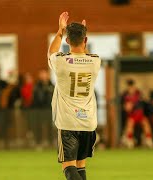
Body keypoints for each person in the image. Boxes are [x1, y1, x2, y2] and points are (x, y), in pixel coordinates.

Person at [48, 12, 101, 180]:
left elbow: (51, 52)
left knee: (69, 167)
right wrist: (83, 33)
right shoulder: (95, 61)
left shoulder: (61, 62)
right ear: (85, 40)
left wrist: (60, 31)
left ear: (67, 41)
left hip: (68, 121)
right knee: (80, 166)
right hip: (88, 122)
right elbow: (83, 52)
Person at [121, 79, 153, 148]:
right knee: (130, 123)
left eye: (132, 86)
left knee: (146, 122)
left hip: (140, 115)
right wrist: (127, 107)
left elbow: (144, 104)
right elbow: (125, 108)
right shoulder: (125, 95)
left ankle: (148, 140)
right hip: (132, 115)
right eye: (129, 86)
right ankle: (129, 140)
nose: (131, 88)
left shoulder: (139, 94)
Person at [31, 69, 54, 148]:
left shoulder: (52, 85)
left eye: (45, 74)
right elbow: (37, 98)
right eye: (42, 74)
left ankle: (50, 142)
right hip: (39, 110)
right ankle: (38, 142)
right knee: (39, 126)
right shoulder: (37, 86)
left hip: (49, 109)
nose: (44, 76)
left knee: (49, 126)